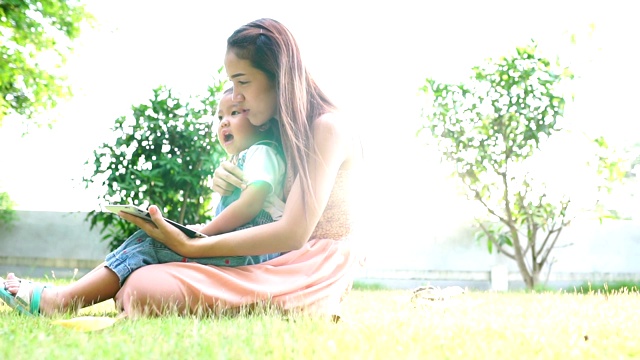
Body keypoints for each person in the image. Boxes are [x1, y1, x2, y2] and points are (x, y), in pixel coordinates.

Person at [1, 17, 362, 318]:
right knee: (139, 283)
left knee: (145, 290)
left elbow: (292, 233)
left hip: (309, 266)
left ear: (278, 75)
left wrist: (193, 244)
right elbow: (262, 208)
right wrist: (227, 183)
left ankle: (61, 301)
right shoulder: (275, 136)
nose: (235, 96)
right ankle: (66, 298)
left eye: (242, 82)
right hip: (277, 258)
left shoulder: (326, 127)